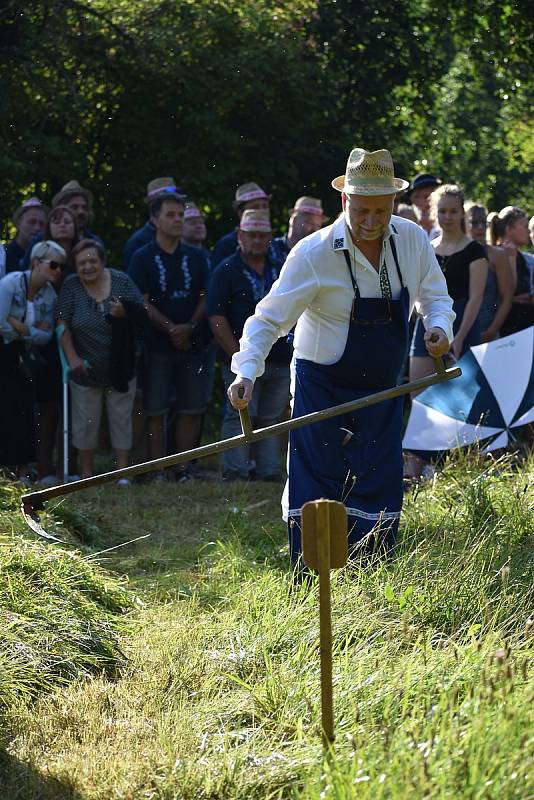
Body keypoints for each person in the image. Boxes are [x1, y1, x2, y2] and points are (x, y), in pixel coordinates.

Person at [226, 148, 454, 566]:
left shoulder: (414, 240)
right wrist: (246, 372)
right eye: (361, 210)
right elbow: (267, 320)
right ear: (344, 201)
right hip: (321, 386)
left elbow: (435, 297)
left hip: (383, 388)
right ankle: (312, 583)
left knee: (378, 479)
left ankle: (370, 581)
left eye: (381, 212)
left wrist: (438, 329)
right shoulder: (313, 254)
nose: (370, 222)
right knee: (317, 482)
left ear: (394, 205)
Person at [128, 193, 209, 481]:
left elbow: (206, 295)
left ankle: (183, 470)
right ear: (155, 220)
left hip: (191, 343)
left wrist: (188, 326)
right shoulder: (143, 257)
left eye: (180, 215)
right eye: (171, 215)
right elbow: (141, 300)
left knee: (191, 407)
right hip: (157, 346)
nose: (178, 220)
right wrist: (171, 328)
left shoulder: (197, 256)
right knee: (155, 410)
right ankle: (157, 470)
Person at [208, 209, 291, 482]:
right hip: (241, 357)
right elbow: (216, 317)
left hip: (279, 356)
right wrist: (240, 358)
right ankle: (236, 471)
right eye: (251, 235)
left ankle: (268, 471)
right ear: (240, 236)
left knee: (272, 417)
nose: (257, 240)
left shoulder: (280, 267)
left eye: (263, 235)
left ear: (270, 237)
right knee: (240, 412)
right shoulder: (226, 270)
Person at [57, 239, 147, 481]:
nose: (88, 266)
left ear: (103, 261)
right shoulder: (71, 286)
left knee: (121, 419)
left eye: (92, 261)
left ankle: (122, 473)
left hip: (121, 366)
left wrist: (124, 312)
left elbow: (142, 313)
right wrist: (72, 357)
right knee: (85, 422)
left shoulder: (121, 280)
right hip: (85, 368)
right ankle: (86, 473)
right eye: (81, 263)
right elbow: (62, 325)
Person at [0, 241, 64, 479]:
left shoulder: (50, 293)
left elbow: (45, 336)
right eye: (54, 264)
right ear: (36, 262)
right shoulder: (11, 283)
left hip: (23, 357)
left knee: (24, 412)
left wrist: (22, 328)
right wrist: (28, 330)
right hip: (3, 352)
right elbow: (0, 322)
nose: (58, 271)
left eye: (61, 266)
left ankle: (22, 469)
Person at [22, 180, 102, 267]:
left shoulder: (95, 242)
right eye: (74, 207)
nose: (80, 212)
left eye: (84, 207)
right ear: (60, 209)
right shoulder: (40, 240)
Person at [465, 202, 514, 341]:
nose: (480, 227)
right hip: (457, 330)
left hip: (486, 331)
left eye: (483, 222)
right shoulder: (456, 253)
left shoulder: (496, 255)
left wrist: (492, 331)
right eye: (474, 223)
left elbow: (507, 297)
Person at [490, 206, 534, 336]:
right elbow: (508, 293)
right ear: (509, 229)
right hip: (506, 330)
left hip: (523, 327)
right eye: (525, 227)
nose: (528, 232)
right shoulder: (497, 255)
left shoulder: (524, 258)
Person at [123, 177, 183, 270]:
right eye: (170, 214)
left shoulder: (183, 238)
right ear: (153, 206)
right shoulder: (138, 243)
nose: (177, 219)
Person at [212, 182, 270, 265]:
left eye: (265, 206)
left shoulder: (272, 241)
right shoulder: (227, 245)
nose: (262, 211)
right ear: (240, 213)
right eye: (255, 207)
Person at [270, 196, 328, 265]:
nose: (314, 230)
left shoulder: (318, 256)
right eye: (308, 222)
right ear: (294, 220)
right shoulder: (271, 249)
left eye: (317, 225)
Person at [5, 198, 48, 272]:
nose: (37, 228)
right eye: (32, 222)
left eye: (41, 224)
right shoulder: (4, 256)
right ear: (18, 223)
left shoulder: (46, 256)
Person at [405, 173, 441, 239]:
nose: (421, 202)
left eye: (427, 196)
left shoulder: (447, 227)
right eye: (416, 197)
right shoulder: (407, 229)